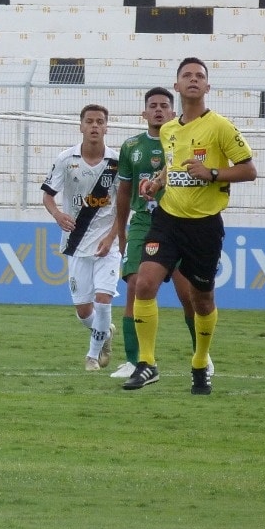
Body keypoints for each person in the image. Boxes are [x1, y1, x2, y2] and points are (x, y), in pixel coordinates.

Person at [124, 57, 257, 395]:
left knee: (202, 300)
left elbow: (249, 170)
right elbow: (173, 166)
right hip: (167, 219)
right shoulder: (169, 129)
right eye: (187, 75)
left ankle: (200, 361)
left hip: (204, 226)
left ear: (208, 87)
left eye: (200, 76)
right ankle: (147, 362)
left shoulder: (221, 128)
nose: (194, 80)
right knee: (143, 283)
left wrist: (212, 173)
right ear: (177, 85)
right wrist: (156, 182)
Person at [104, 88, 210, 380]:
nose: (159, 110)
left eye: (164, 105)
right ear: (144, 113)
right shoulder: (131, 146)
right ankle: (134, 360)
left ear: (173, 112)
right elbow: (124, 192)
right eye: (153, 106)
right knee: (136, 287)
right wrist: (121, 231)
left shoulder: (183, 142)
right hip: (143, 224)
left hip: (179, 222)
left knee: (188, 295)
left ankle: (202, 355)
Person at [41, 104, 120, 371]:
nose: (95, 126)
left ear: (107, 127)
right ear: (81, 126)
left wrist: (112, 238)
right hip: (76, 243)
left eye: (100, 121)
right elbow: (48, 195)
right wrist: (57, 214)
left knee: (104, 298)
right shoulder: (66, 159)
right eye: (90, 121)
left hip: (107, 244)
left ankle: (92, 356)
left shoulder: (117, 163)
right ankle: (104, 332)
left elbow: (124, 208)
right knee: (84, 310)